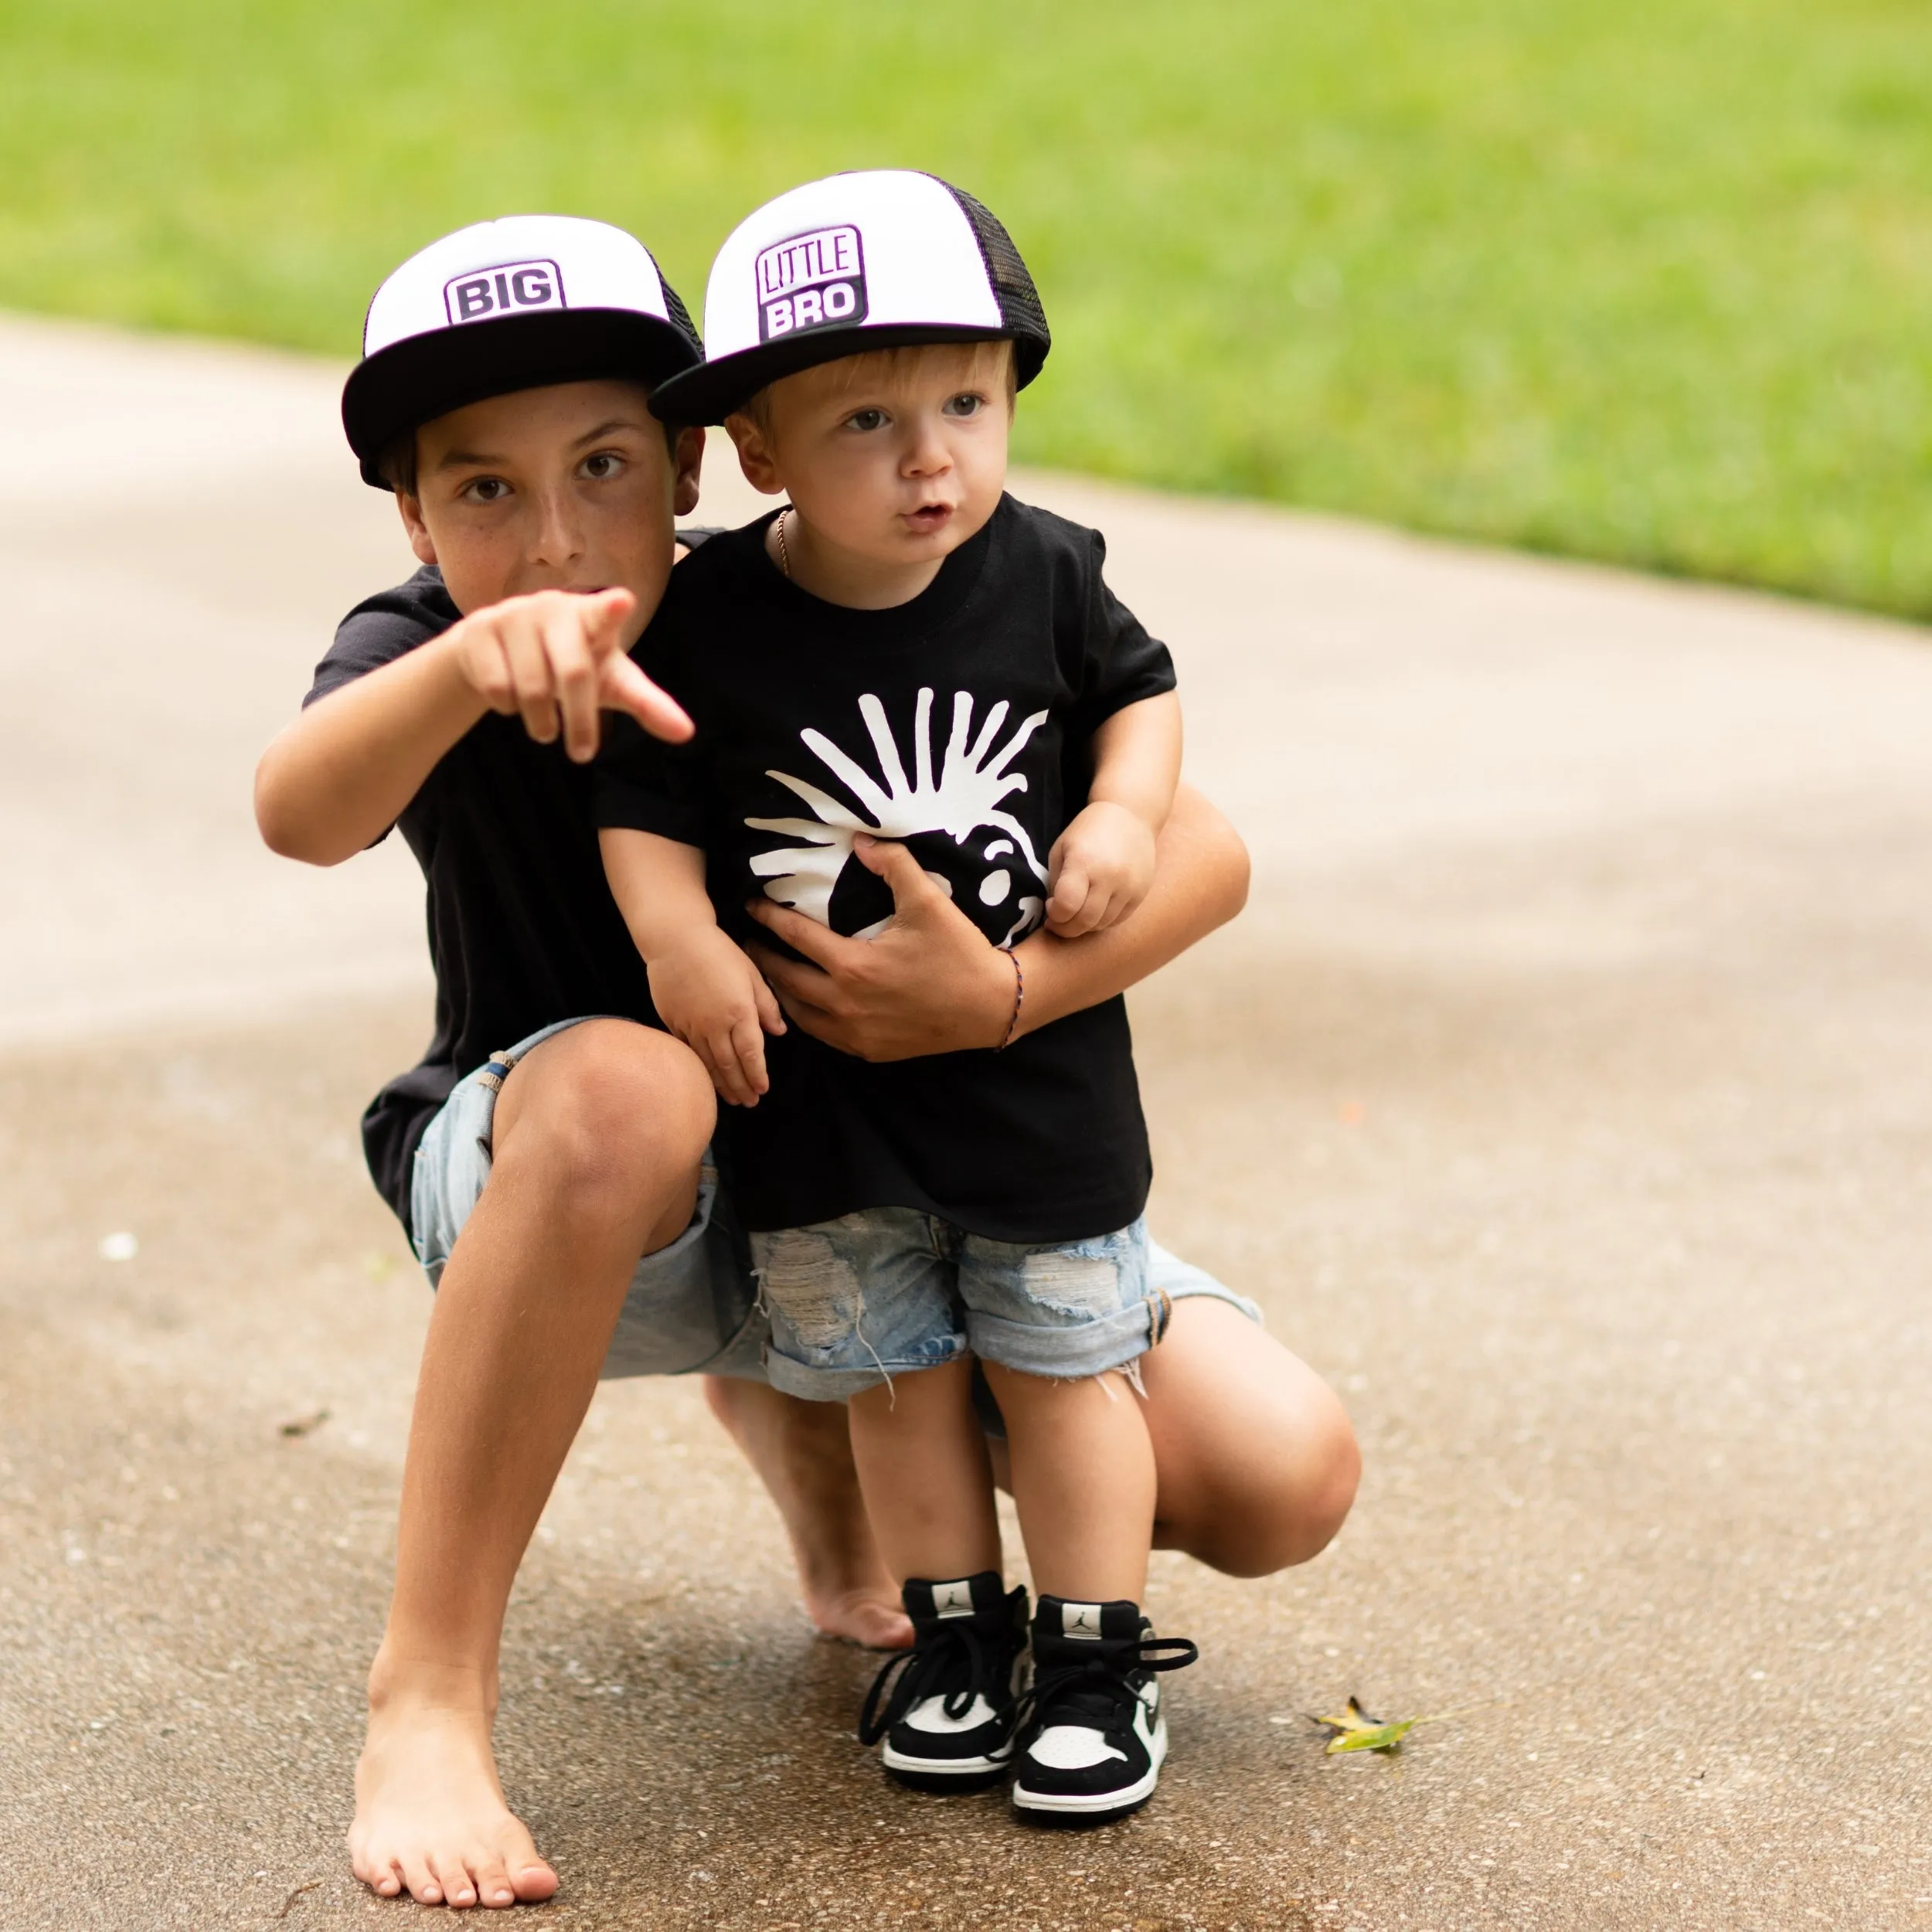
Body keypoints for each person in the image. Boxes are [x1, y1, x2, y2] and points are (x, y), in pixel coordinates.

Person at [253, 211, 1359, 1905]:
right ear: (412, 514)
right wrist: (465, 667)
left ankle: (805, 1422)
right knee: (639, 1084)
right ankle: (427, 1695)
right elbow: (298, 811)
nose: (552, 537)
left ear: (699, 459)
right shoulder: (426, 644)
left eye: (605, 463)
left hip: (889, 1175)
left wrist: (995, 998)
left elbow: (1200, 844)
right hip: (581, 1185)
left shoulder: (808, 604)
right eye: (482, 490)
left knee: (1280, 1473)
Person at [592, 169, 1205, 1822]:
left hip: (1037, 1093)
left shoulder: (1048, 572)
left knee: (1067, 1366)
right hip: (827, 1106)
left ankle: (1089, 1656)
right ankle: (951, 1635)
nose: (931, 452)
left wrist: (1121, 815)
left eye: (966, 400)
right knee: (897, 1376)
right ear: (762, 452)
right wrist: (679, 940)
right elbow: (641, 808)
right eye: (865, 419)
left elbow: (1141, 700)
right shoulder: (710, 615)